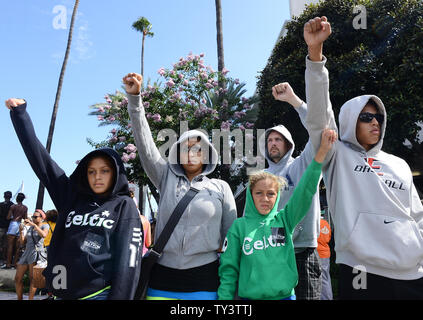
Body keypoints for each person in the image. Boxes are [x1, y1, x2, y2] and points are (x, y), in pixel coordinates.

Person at [304, 16, 423, 299]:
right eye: (366, 117)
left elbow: (417, 216)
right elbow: (319, 117)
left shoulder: (400, 164)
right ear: (350, 121)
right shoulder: (338, 155)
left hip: (412, 273)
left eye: (378, 117)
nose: (375, 123)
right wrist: (315, 56)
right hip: (361, 272)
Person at [6, 98, 143, 300]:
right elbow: (41, 162)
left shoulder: (124, 205)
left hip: (98, 294)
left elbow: (129, 262)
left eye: (104, 171)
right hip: (61, 293)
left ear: (115, 173)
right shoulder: (71, 196)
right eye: (92, 171)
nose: (97, 177)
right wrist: (20, 115)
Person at [123, 72, 237, 300]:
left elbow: (231, 237)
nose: (192, 152)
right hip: (162, 276)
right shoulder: (165, 176)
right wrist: (135, 100)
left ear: (206, 155)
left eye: (198, 148)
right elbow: (145, 145)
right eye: (186, 148)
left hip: (205, 277)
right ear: (177, 153)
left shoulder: (221, 187)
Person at [218, 128, 336, 300]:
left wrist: (322, 153)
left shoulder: (285, 220)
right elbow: (228, 271)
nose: (265, 198)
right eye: (259, 193)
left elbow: (306, 189)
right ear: (251, 195)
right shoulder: (239, 227)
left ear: (278, 195)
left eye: (271, 194)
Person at [259, 82, 323, 299]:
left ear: (288, 144)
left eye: (278, 139)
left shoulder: (300, 165)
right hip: (269, 254)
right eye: (269, 140)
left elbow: (318, 132)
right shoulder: (261, 177)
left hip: (302, 253)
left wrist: (294, 101)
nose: (273, 143)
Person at [14, 210, 49, 300]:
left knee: (32, 279)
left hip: (36, 252)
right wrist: (21, 231)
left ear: (41, 218)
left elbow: (44, 235)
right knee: (17, 278)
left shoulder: (45, 225)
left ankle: (30, 299)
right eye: (32, 217)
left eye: (35, 217)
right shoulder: (29, 228)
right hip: (26, 253)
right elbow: (23, 242)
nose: (33, 218)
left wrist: (34, 225)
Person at [3, 192, 27, 269]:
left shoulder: (13, 206)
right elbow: (25, 218)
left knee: (10, 245)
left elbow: (8, 217)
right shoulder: (25, 207)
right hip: (20, 225)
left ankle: (8, 264)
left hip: (13, 224)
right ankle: (15, 264)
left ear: (17, 199)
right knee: (17, 247)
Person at [317, 214, 333, 300]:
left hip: (318, 253)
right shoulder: (325, 223)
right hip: (326, 254)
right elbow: (329, 237)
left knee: (321, 280)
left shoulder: (315, 223)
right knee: (326, 278)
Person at [0, 191, 13, 264]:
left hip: (1, 226)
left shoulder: (0, 204)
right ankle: (3, 259)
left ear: (4, 196)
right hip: (9, 227)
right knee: (6, 244)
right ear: (10, 197)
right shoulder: (12, 205)